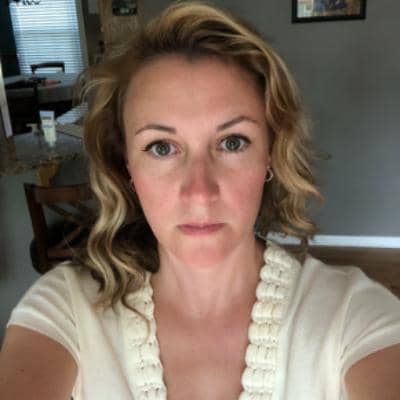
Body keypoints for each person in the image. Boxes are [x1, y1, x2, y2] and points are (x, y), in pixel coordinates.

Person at [1, 1, 400, 399]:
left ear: (270, 155)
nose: (200, 192)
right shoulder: (67, 308)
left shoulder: (352, 315)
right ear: (127, 168)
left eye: (232, 142)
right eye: (161, 147)